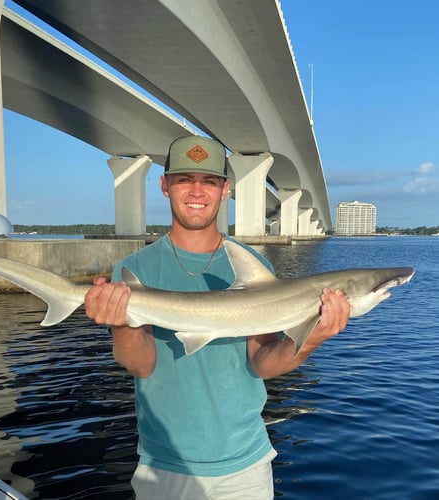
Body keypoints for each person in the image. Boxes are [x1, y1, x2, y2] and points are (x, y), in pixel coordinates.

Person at [85, 136, 350, 499]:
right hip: (165, 463)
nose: (197, 191)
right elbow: (141, 365)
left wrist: (311, 338)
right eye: (184, 179)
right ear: (164, 186)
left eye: (209, 181)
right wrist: (121, 321)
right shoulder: (134, 270)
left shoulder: (256, 269)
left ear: (226, 190)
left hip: (246, 464)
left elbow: (262, 363)